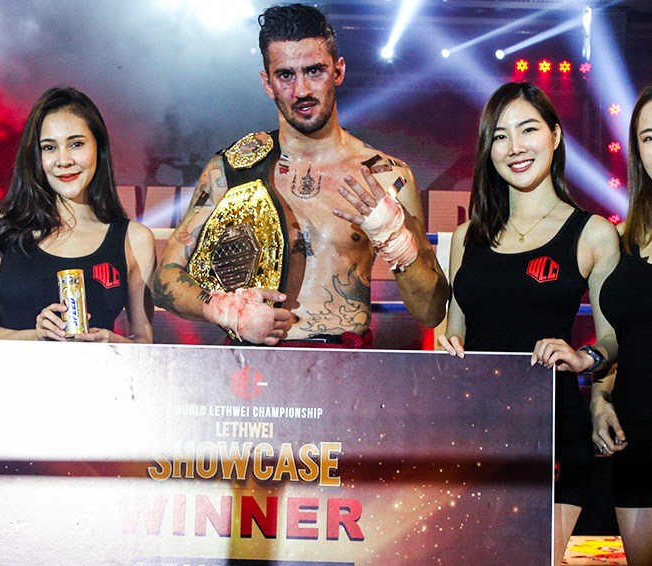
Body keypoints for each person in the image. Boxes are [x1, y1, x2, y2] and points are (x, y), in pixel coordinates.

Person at [152, 3, 448, 347]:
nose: (302, 90)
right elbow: (164, 279)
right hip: (249, 365)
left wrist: (395, 240)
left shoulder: (384, 177)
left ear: (338, 71)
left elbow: (431, 311)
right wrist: (226, 310)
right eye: (286, 75)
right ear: (267, 83)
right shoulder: (231, 170)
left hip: (344, 368)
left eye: (314, 71)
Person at [437, 82, 619, 566]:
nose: (515, 147)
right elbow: (454, 332)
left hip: (552, 432)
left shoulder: (593, 234)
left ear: (555, 136)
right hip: (471, 432)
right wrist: (446, 350)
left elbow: (613, 336)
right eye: (500, 136)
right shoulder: (466, 237)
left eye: (528, 130)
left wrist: (586, 358)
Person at [0, 87, 155, 344]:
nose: (63, 160)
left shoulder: (134, 239)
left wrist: (111, 343)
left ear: (99, 147)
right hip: (16, 371)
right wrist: (36, 336)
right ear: (36, 155)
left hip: (99, 371)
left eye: (76, 144)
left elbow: (144, 343)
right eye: (49, 147)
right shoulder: (0, 226)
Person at [592, 84, 652, 566]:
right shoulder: (625, 239)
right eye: (649, 137)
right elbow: (619, 337)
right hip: (636, 437)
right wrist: (599, 397)